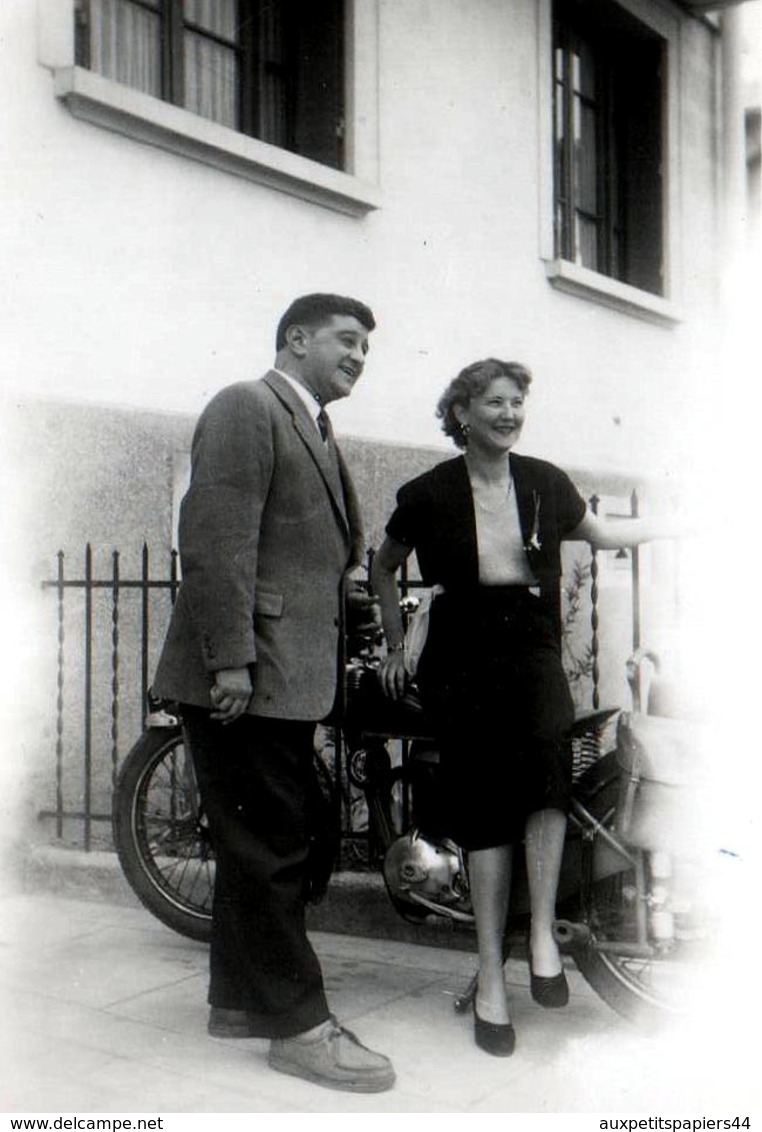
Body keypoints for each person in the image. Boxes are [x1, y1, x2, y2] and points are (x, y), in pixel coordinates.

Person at [372, 358, 674, 1058]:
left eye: (517, 403)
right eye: (495, 403)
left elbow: (600, 534)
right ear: (462, 414)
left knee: (546, 771)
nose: (509, 414)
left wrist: (678, 525)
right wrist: (394, 645)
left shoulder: (543, 481)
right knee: (482, 805)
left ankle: (540, 932)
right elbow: (383, 566)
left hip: (531, 642)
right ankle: (488, 978)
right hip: (463, 650)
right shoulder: (427, 493)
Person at [152, 293, 395, 1094]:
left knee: (259, 846)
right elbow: (215, 540)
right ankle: (298, 1027)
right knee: (272, 851)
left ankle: (237, 1003)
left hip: (282, 679)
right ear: (297, 338)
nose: (360, 355)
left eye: (367, 346)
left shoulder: (315, 427)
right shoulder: (245, 406)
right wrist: (229, 663)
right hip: (244, 679)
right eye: (346, 339)